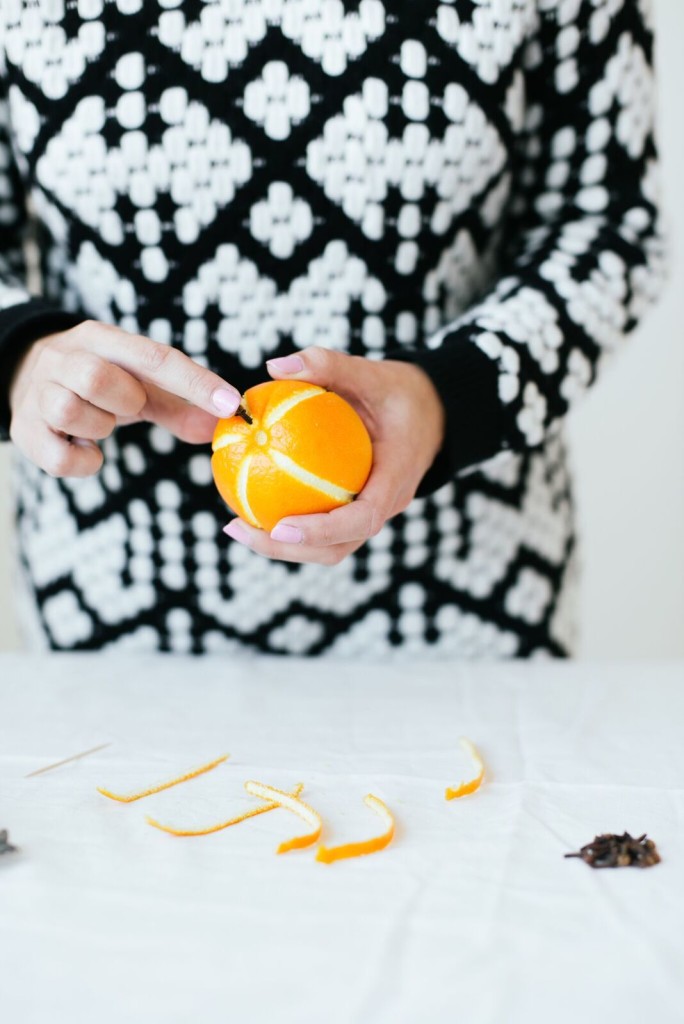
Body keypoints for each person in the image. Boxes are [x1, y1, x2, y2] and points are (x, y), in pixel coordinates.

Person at [0, 0, 665, 656]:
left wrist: (444, 398)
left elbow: (610, 228)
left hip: (470, 606)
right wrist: (20, 357)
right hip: (114, 604)